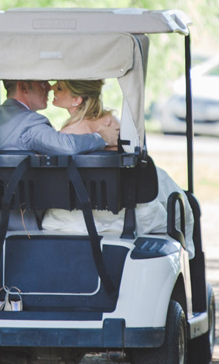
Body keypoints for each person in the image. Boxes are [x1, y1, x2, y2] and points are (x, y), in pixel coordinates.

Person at [0, 79, 119, 238]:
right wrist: (101, 138)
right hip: (19, 218)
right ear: (23, 87)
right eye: (42, 83)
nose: (49, 86)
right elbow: (66, 146)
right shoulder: (30, 123)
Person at [42, 79, 195, 258]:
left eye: (59, 87)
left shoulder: (69, 135)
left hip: (88, 204)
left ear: (77, 100)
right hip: (119, 200)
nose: (52, 88)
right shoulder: (111, 121)